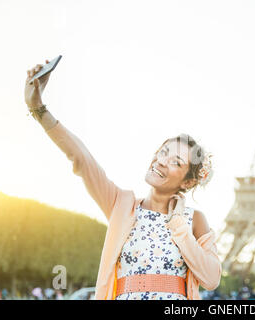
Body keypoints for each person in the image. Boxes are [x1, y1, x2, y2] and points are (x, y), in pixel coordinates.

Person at [24, 60, 221, 300]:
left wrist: (178, 225)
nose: (162, 161)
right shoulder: (121, 205)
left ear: (188, 182)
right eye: (163, 152)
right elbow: (82, 158)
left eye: (176, 162)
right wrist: (38, 108)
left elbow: (211, 279)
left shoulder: (193, 220)